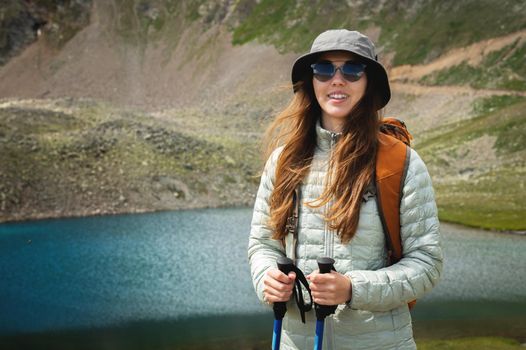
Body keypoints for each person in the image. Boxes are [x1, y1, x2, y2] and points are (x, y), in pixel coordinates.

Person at [248, 29, 443, 349]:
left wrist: (353, 288)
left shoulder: (400, 163)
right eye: (324, 69)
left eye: (352, 69)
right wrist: (267, 278)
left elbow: (426, 263)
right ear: (311, 82)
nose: (337, 79)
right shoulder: (282, 161)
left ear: (369, 83)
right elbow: (263, 246)